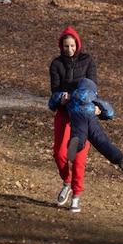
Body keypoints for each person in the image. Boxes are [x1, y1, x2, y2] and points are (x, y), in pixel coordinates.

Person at [49, 77, 123, 183]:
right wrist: (102, 113)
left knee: (78, 135)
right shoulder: (94, 98)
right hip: (91, 119)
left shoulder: (72, 95)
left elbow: (54, 99)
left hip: (77, 117)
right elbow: (109, 112)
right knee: (102, 141)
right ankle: (118, 159)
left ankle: (75, 144)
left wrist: (58, 102)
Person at [49, 26, 97, 212]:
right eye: (65, 46)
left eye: (71, 46)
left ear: (77, 45)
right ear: (61, 47)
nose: (69, 49)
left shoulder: (88, 61)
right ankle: (66, 182)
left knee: (78, 159)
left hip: (83, 116)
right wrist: (60, 98)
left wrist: (95, 106)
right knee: (60, 154)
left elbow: (92, 88)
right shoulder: (56, 64)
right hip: (63, 113)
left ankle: (76, 196)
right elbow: (54, 91)